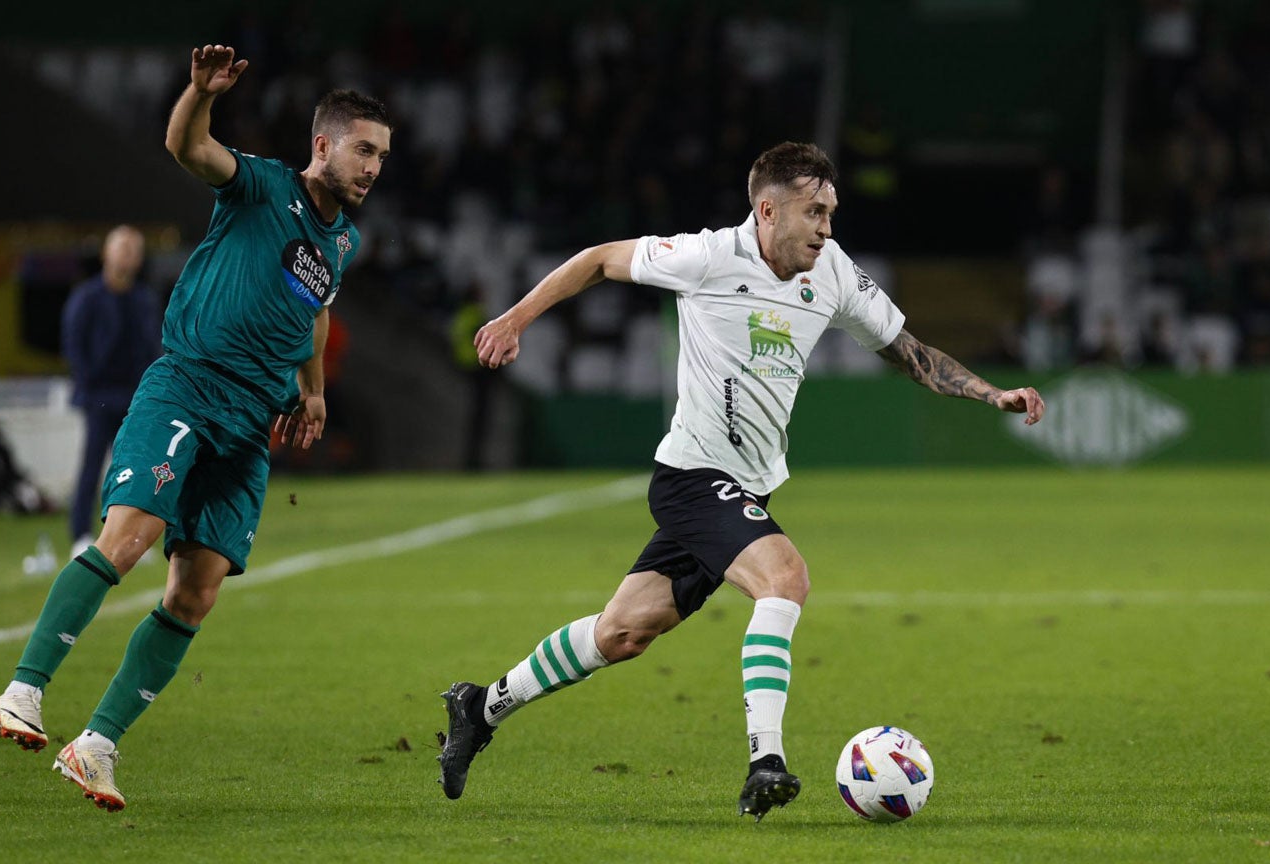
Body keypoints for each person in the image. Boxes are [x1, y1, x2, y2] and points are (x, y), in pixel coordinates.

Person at [437, 142, 1045, 821]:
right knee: (784, 578)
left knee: (622, 633)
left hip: (748, 487)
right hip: (692, 477)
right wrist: (515, 318)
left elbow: (907, 351)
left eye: (831, 213)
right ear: (767, 210)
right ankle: (766, 761)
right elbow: (598, 260)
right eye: (814, 212)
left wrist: (989, 394)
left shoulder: (834, 272)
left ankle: (480, 706)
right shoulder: (706, 257)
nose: (826, 227)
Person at [0, 44, 392, 812]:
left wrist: (313, 389)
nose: (373, 167)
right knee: (128, 539)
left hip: (247, 430)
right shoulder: (262, 186)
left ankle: (96, 746)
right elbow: (186, 148)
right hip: (189, 388)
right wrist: (198, 95)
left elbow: (317, 302)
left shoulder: (344, 241)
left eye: (381, 156)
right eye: (363, 150)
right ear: (323, 145)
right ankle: (21, 692)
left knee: (194, 596)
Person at [62, 225, 162, 558]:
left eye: (134, 249)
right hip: (98, 396)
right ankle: (80, 533)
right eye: (122, 247)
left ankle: (129, 535)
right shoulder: (87, 298)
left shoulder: (144, 300)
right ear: (107, 252)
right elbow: (74, 347)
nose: (127, 255)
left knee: (135, 468)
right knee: (92, 464)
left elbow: (153, 349)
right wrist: (89, 384)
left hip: (135, 397)